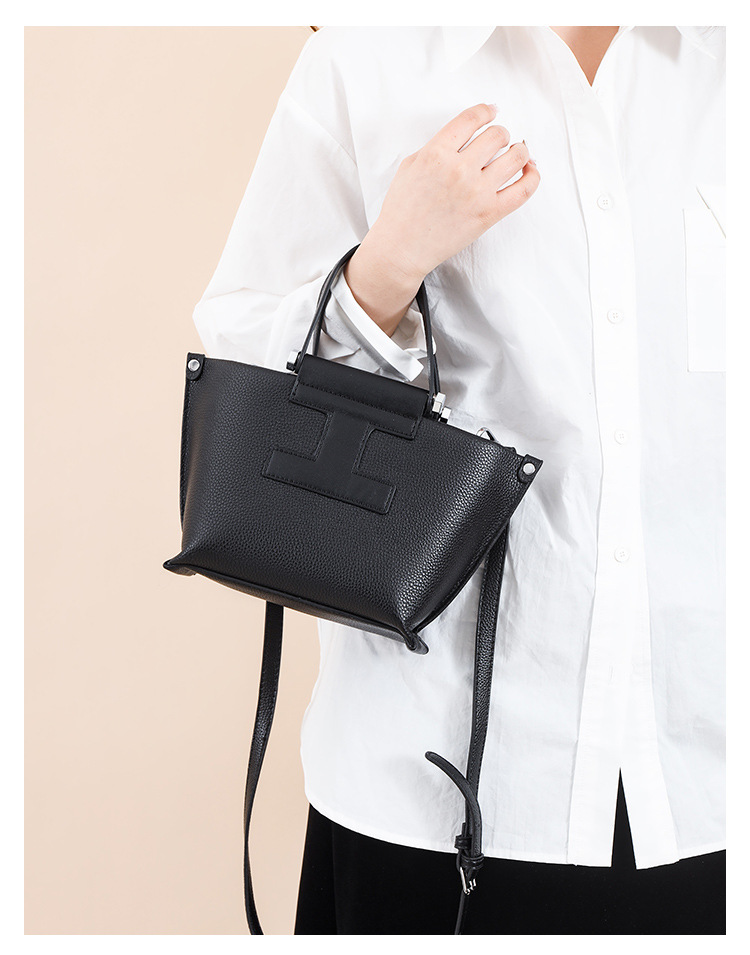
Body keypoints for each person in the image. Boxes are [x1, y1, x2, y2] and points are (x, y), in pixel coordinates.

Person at [192, 26, 726, 934]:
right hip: (431, 791)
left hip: (714, 779)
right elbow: (243, 375)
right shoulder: (368, 57)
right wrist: (385, 267)